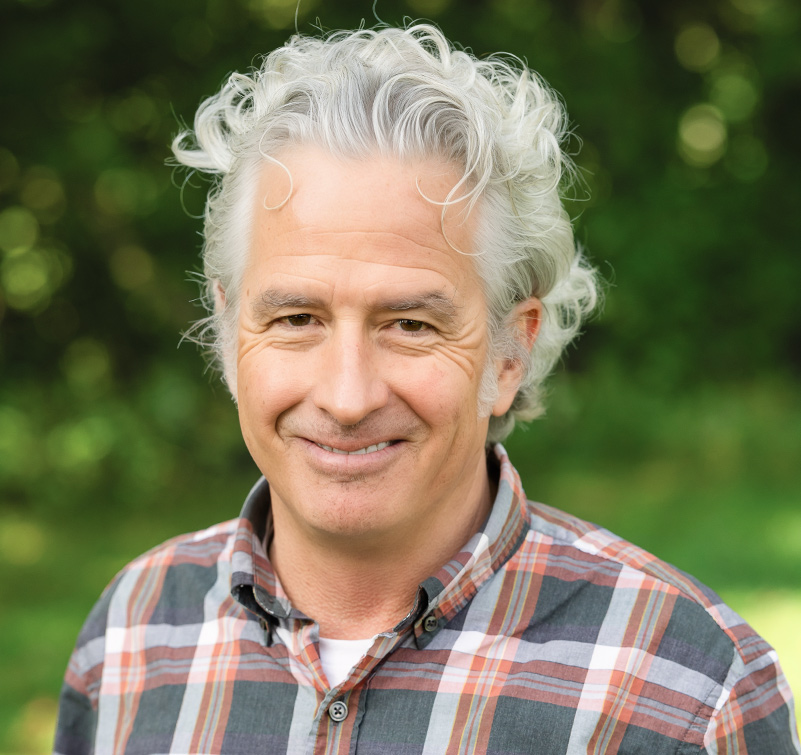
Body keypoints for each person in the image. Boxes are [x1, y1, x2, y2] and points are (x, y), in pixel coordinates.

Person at [54, 24, 799, 754]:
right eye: (296, 317)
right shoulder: (132, 635)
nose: (347, 396)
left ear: (511, 351)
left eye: (410, 324)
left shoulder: (686, 695)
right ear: (228, 330)